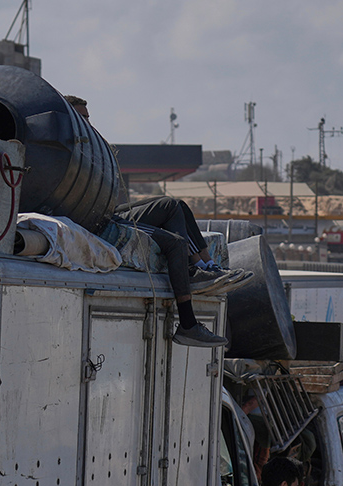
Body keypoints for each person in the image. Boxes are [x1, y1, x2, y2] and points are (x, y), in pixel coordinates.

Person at [67, 96, 248, 347]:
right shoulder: (69, 152)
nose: (87, 123)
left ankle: (207, 265)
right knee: (174, 239)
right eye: (81, 118)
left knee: (174, 205)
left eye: (88, 118)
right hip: (99, 220)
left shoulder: (92, 148)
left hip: (111, 211)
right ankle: (189, 318)